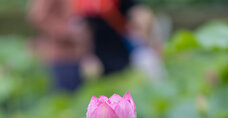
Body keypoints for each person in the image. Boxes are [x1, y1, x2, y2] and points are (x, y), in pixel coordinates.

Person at [28, 0, 161, 92]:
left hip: (114, 56)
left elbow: (139, 14)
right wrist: (69, 33)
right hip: (68, 56)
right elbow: (39, 16)